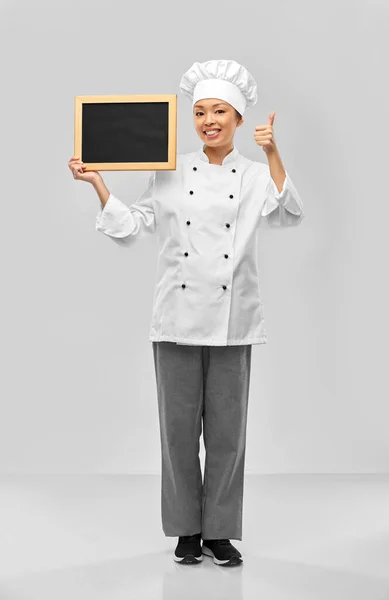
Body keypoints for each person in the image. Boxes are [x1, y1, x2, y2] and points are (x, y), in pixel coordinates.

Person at [68, 59, 305, 568]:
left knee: (227, 436)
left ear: (239, 118)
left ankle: (219, 532)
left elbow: (288, 212)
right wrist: (98, 182)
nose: (208, 120)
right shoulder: (169, 168)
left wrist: (273, 150)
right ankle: (185, 532)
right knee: (177, 434)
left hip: (233, 320)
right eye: (199, 112)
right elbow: (132, 226)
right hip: (175, 318)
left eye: (220, 110)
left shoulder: (257, 174)